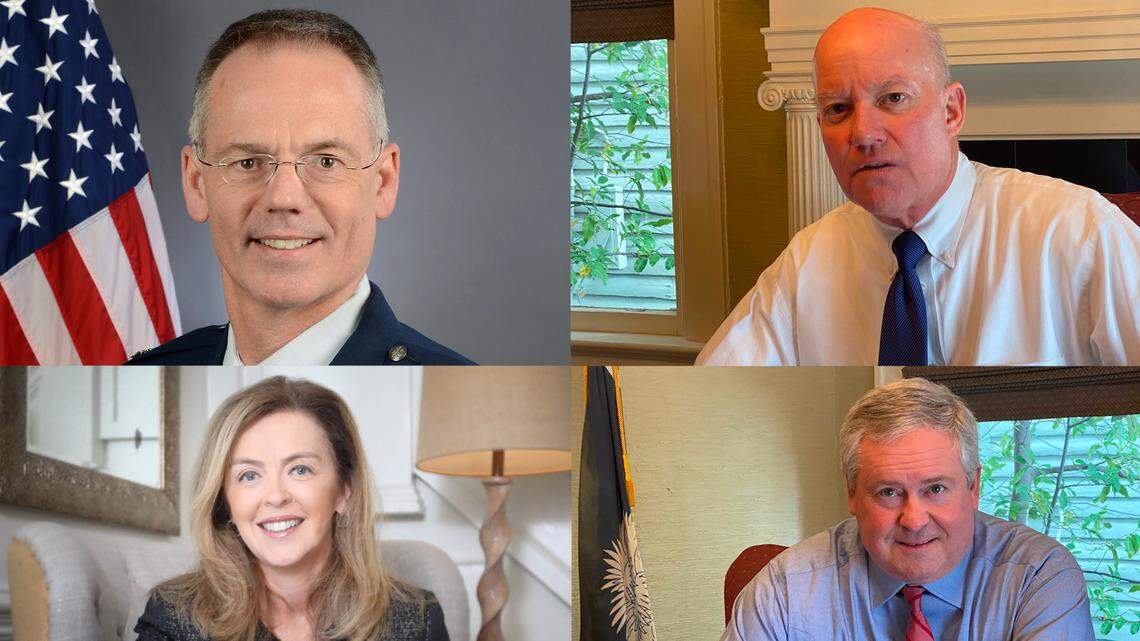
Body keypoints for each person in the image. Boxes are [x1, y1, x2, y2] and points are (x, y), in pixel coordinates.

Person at [697, 7, 1140, 366]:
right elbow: (714, 393)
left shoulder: (1078, 232)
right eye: (837, 108)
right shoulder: (807, 260)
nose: (863, 133)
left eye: (893, 98)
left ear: (951, 111)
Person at [127, 10, 471, 365]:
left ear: (383, 182)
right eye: (247, 162)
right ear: (197, 184)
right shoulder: (147, 373)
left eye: (325, 161)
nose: (283, 198)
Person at [721, 378, 1094, 641]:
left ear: (973, 486)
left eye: (935, 488)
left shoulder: (1040, 576)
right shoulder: (786, 589)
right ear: (852, 494)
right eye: (888, 492)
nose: (913, 520)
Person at [133, 376, 449, 641]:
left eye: (300, 469)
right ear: (224, 503)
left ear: (344, 491)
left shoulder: (416, 620)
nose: (275, 496)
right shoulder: (174, 616)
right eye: (249, 475)